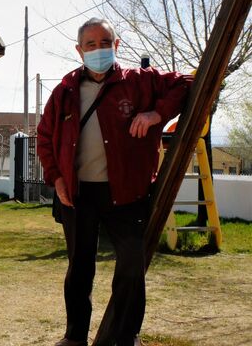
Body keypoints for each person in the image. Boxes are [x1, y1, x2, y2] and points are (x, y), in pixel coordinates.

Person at [37, 18, 192, 346]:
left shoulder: (140, 81)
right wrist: (56, 178)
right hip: (78, 194)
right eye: (90, 45)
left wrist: (156, 114)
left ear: (116, 45)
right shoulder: (65, 90)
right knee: (79, 268)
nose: (98, 50)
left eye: (105, 42)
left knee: (132, 263)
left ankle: (124, 336)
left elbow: (186, 83)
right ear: (79, 50)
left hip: (126, 191)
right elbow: (45, 136)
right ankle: (74, 336)